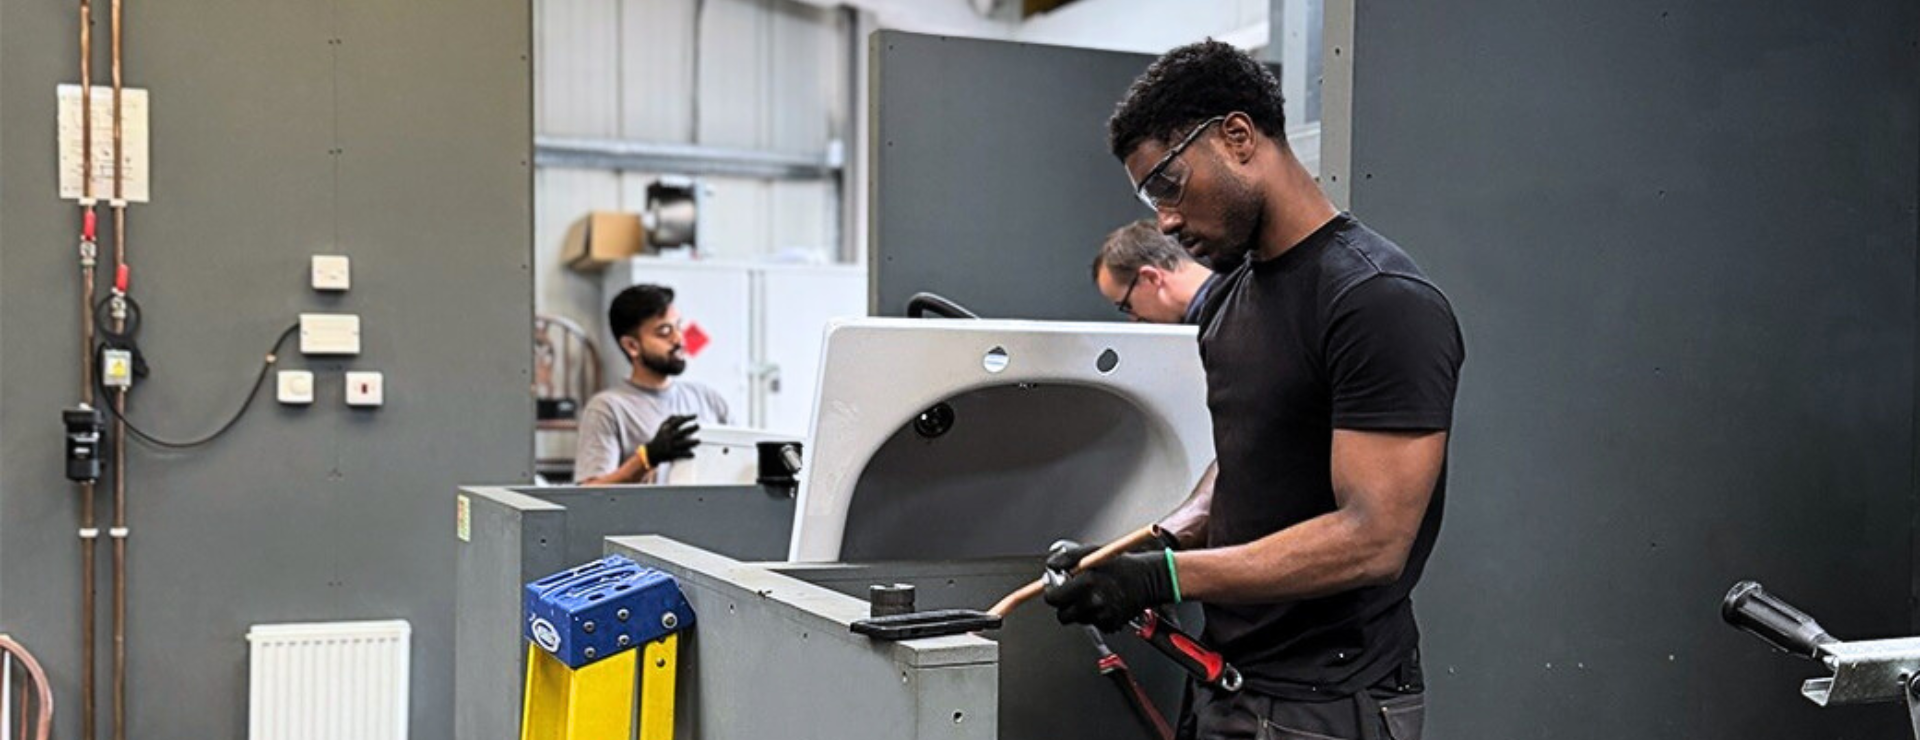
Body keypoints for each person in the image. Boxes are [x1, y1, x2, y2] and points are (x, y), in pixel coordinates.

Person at [1043, 40, 1465, 740]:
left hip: (1327, 703)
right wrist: (1141, 549)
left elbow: (1374, 538)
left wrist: (1167, 579)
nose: (1167, 222)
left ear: (1237, 137)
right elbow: (1245, 462)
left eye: (1168, 186)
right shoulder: (1233, 300)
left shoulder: (1376, 300)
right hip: (1232, 679)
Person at [573, 284, 731, 485]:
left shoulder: (708, 399)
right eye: (664, 331)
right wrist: (647, 458)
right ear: (632, 346)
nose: (679, 339)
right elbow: (589, 494)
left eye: (679, 326)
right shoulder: (608, 408)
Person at [1092, 219, 1225, 325]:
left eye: (1127, 305)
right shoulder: (1236, 297)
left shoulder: (1225, 324)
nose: (1134, 319)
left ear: (1151, 277)